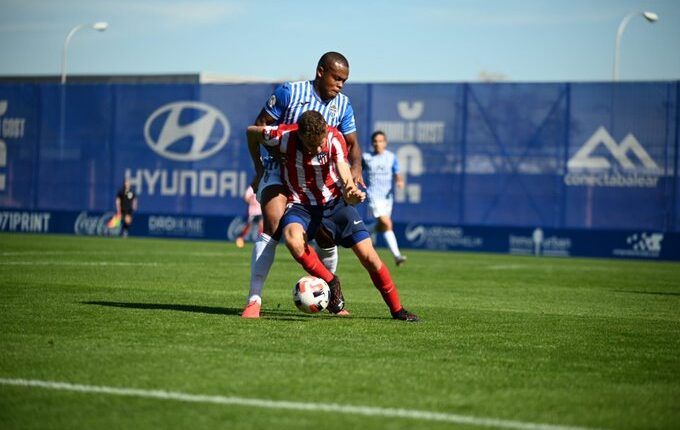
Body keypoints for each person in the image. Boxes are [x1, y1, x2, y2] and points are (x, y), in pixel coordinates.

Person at [245, 111, 419, 321]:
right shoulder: (282, 136)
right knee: (292, 239)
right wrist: (259, 167)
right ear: (300, 135)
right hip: (301, 205)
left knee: (369, 257)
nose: (318, 149)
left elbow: (344, 171)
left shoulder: (333, 138)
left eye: (320, 143)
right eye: (312, 145)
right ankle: (331, 281)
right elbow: (251, 133)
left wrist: (350, 190)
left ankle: (398, 310)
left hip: (334, 204)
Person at [242, 52, 364, 318]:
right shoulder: (289, 92)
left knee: (325, 236)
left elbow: (352, 144)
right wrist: (260, 167)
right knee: (272, 225)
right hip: (281, 170)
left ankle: (332, 299)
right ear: (321, 71)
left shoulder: (343, 105)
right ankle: (254, 300)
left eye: (344, 80)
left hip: (319, 178)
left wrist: (355, 171)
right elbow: (260, 127)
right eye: (336, 78)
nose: (340, 84)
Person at [362, 131, 407, 266]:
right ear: (372, 143)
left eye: (380, 141)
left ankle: (368, 231)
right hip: (374, 196)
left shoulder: (391, 157)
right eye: (375, 141)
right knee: (387, 224)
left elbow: (397, 172)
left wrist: (399, 181)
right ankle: (397, 255)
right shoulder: (367, 157)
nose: (378, 143)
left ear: (385, 143)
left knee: (384, 225)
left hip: (387, 197)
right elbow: (357, 170)